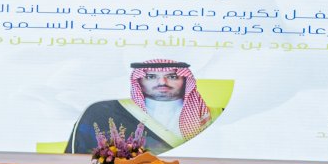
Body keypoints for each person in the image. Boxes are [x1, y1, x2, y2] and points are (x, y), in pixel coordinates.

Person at [66, 59, 225, 154]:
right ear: (139, 81)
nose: (162, 82)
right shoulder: (103, 112)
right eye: (151, 77)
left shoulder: (216, 116)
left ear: (185, 80)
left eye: (172, 76)